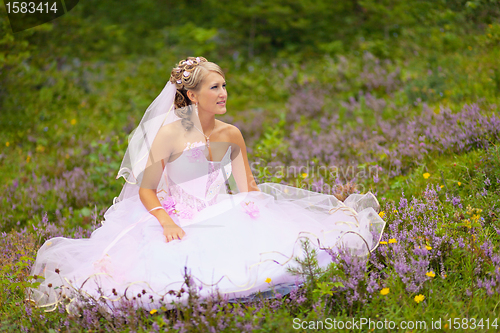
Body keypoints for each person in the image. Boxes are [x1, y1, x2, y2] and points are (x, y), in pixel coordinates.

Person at [29, 57, 385, 312]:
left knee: (286, 255)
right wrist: (166, 221)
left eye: (224, 84)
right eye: (215, 87)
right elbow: (146, 189)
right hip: (174, 216)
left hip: (220, 210)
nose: (224, 92)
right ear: (194, 96)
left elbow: (247, 185)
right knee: (151, 277)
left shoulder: (231, 134)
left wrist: (264, 213)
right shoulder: (170, 135)